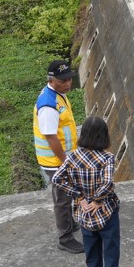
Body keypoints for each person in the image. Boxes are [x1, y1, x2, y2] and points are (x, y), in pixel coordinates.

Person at [51, 116, 134, 267]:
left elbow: (57, 178)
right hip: (106, 213)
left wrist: (79, 198)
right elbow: (107, 183)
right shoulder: (106, 158)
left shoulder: (72, 156)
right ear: (103, 136)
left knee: (92, 256)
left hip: (84, 215)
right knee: (111, 256)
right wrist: (97, 200)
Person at [34, 59, 83, 253]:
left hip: (62, 158)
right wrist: (66, 162)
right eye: (63, 80)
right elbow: (51, 137)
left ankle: (70, 223)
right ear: (51, 80)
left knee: (68, 194)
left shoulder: (59, 95)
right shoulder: (48, 104)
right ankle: (65, 238)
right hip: (56, 161)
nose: (68, 83)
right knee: (62, 200)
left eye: (69, 79)